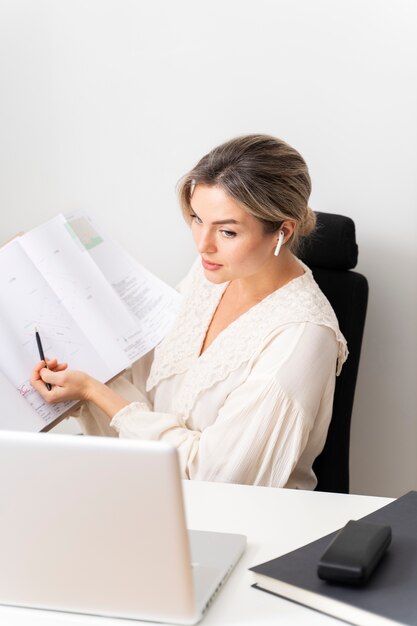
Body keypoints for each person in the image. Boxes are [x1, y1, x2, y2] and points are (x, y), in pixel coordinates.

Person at [31, 134, 347, 489]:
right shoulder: (213, 274)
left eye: (227, 231)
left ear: (282, 232)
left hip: (232, 524)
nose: (202, 245)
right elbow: (149, 384)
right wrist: (82, 375)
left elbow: (218, 478)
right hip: (144, 491)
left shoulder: (302, 336)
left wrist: (96, 392)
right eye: (197, 219)